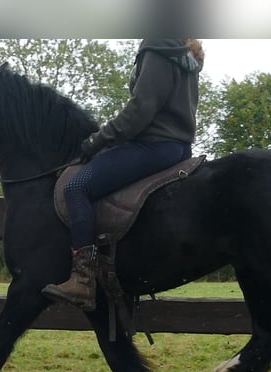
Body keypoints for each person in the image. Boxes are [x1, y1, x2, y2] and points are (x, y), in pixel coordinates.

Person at [42, 39, 205, 311]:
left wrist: (98, 141)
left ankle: (83, 280)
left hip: (152, 145)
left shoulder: (158, 47)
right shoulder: (184, 52)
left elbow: (141, 109)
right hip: (177, 147)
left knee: (77, 188)